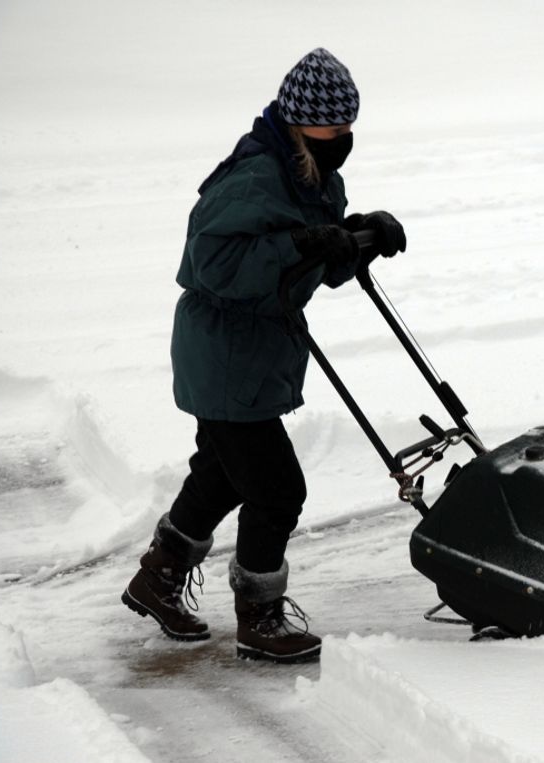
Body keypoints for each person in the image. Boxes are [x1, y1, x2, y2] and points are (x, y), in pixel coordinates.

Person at [121, 48, 405, 664]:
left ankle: (159, 577)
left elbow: (309, 259)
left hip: (251, 352)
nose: (345, 139)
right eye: (336, 127)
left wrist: (360, 237)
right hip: (224, 353)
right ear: (302, 123)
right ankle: (261, 617)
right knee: (277, 490)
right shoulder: (254, 175)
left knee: (223, 472)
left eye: (350, 127)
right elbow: (210, 265)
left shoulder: (312, 174)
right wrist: (300, 242)